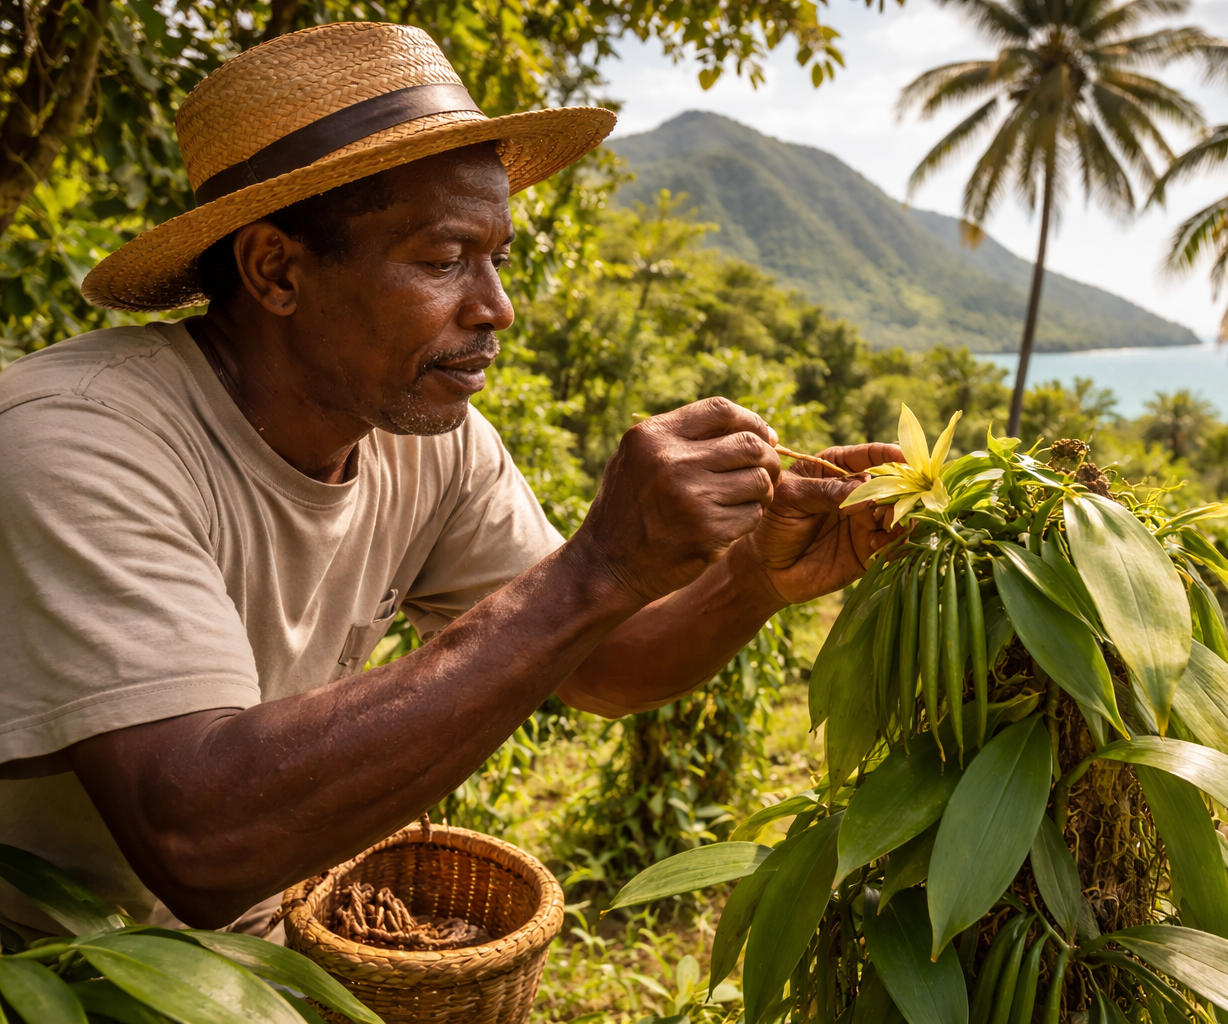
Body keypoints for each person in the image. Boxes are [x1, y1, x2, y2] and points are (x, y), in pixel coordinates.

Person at [0, 22, 900, 940]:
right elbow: (198, 839)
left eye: (497, 258)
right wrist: (597, 568)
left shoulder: (426, 437)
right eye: (441, 261)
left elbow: (602, 662)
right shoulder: (80, 441)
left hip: (244, 970)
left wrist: (755, 577)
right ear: (275, 269)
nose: (496, 307)